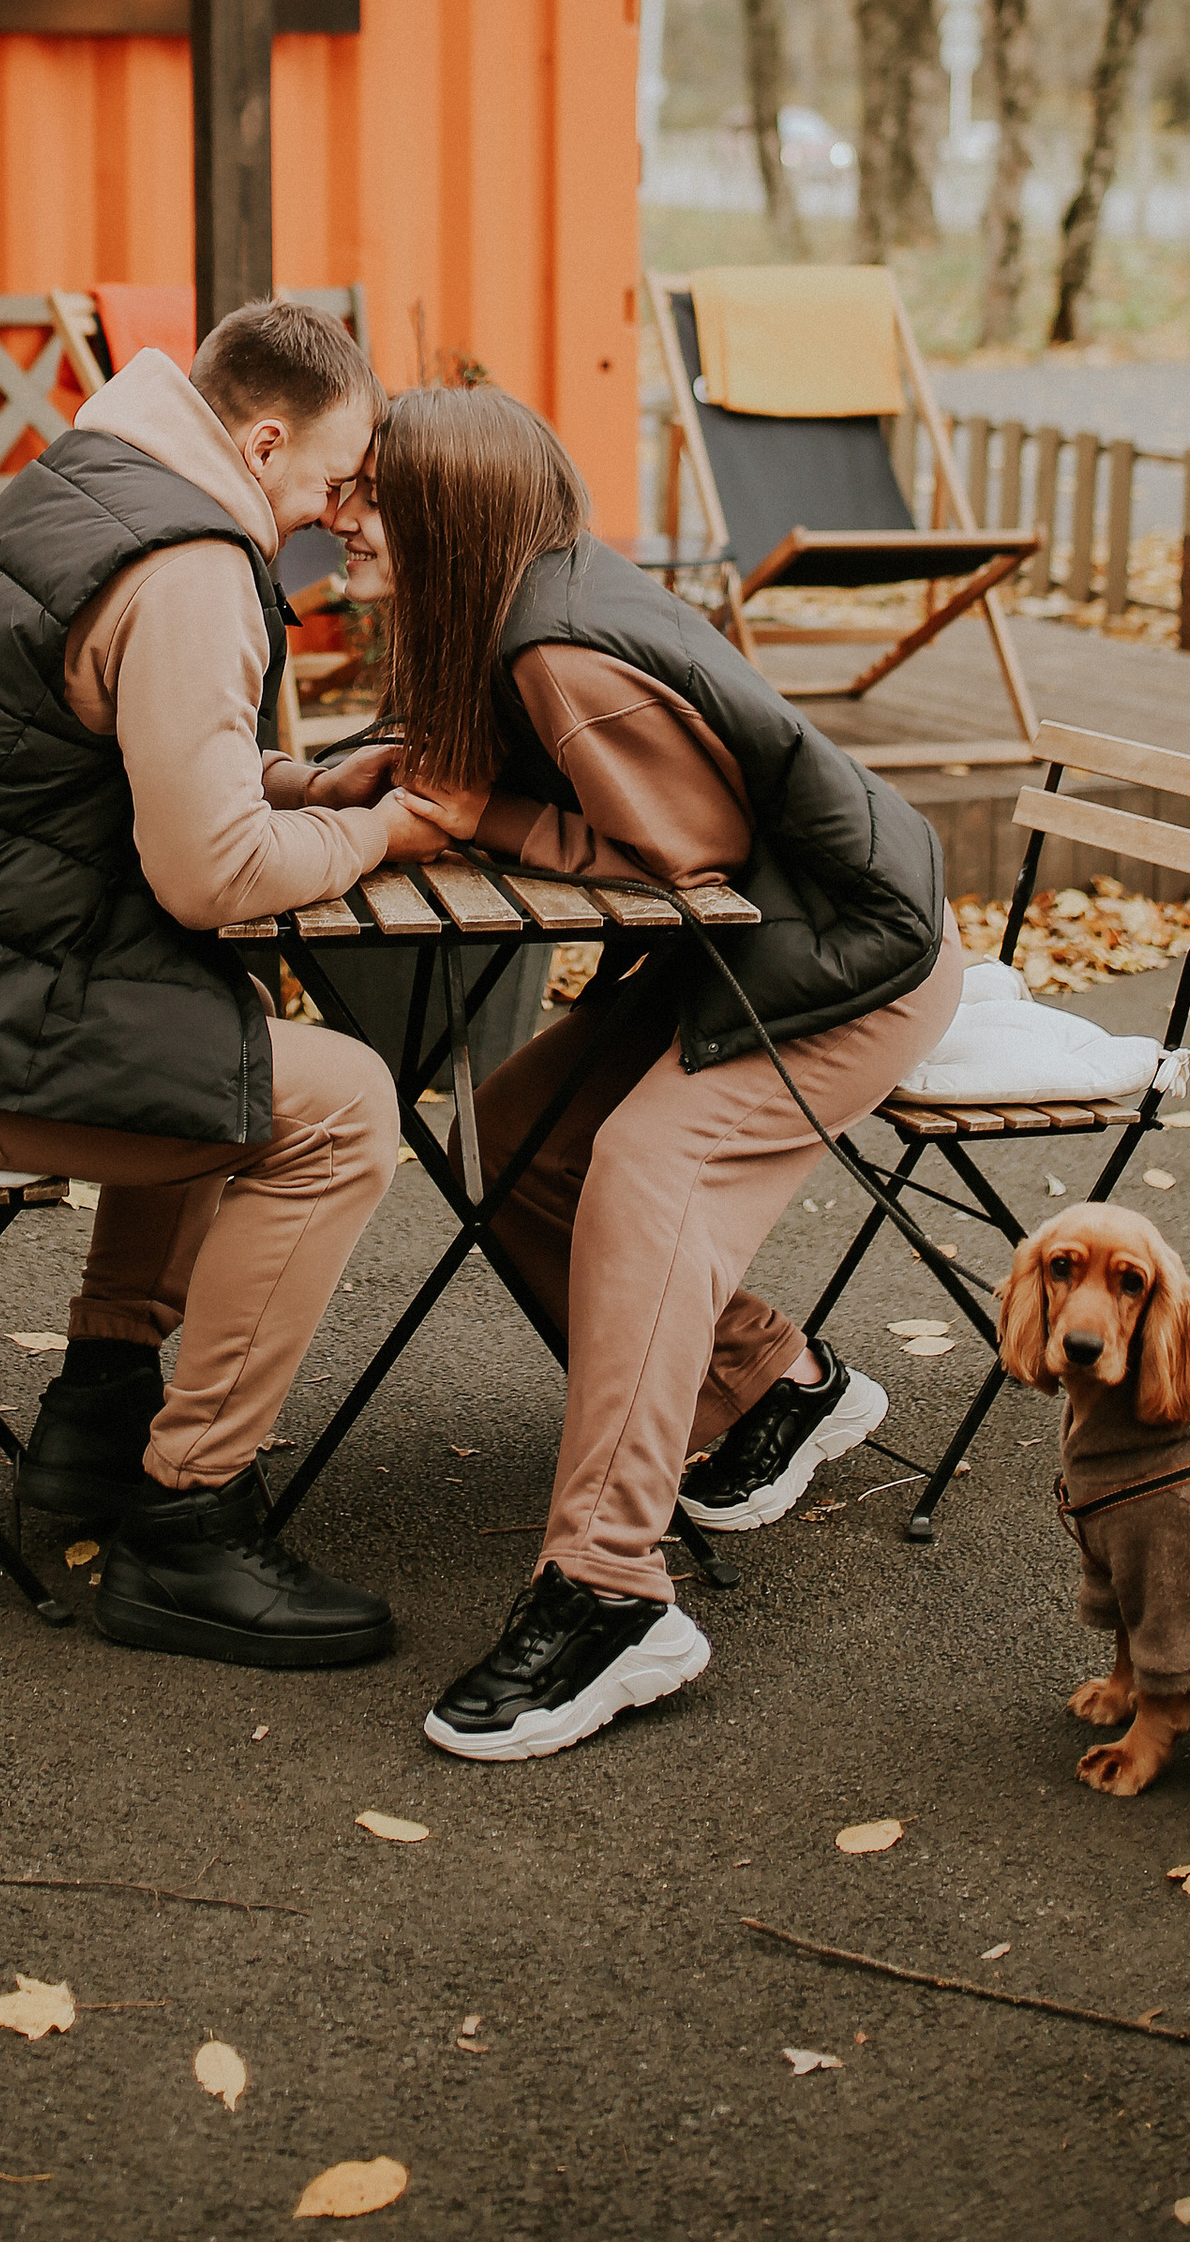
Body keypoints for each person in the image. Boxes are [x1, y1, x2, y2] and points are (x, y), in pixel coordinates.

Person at [0, 298, 453, 1672]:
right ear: (260, 441)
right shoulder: (194, 566)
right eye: (325, 481)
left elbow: (114, 770)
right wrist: (382, 830)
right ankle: (184, 1528)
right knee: (344, 1107)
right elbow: (207, 878)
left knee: (215, 1038)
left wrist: (304, 784)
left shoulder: (89, 481)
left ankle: (99, 1416)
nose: (328, 514)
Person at [335, 384, 964, 1761]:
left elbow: (687, 857)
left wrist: (476, 812)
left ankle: (612, 1591)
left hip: (848, 960)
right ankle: (772, 1384)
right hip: (756, 945)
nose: (337, 514)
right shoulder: (525, 603)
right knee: (511, 1138)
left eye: (367, 495)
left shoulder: (559, 647)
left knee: (641, 1166)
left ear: (449, 518)